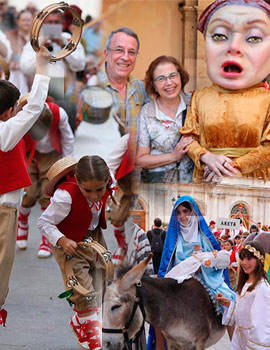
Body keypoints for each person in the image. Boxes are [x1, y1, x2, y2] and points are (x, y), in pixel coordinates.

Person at [180, 0, 270, 184]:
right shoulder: (200, 96)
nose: (234, 47)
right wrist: (208, 158)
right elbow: (188, 138)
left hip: (253, 181)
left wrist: (235, 168)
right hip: (208, 176)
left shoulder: (267, 100)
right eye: (220, 36)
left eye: (254, 37)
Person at [37, 155, 116, 350]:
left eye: (100, 189)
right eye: (87, 190)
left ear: (106, 181)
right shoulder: (65, 196)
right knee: (82, 287)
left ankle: (81, 321)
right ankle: (91, 334)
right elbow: (43, 222)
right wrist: (62, 240)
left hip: (93, 236)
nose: (94, 195)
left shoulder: (109, 182)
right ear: (78, 182)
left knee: (100, 279)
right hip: (68, 240)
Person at [87, 27, 149, 264]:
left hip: (131, 164)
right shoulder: (90, 86)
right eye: (119, 50)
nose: (125, 57)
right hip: (98, 162)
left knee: (125, 206)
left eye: (131, 52)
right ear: (106, 53)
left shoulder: (142, 89)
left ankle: (121, 243)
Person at [0, 45, 51, 326]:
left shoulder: (6, 124)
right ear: (8, 112)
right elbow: (34, 109)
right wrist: (43, 69)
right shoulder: (6, 131)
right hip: (3, 211)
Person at [154, 196, 235, 349]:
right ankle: (159, 346)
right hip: (178, 280)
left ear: (193, 213)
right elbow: (170, 263)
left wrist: (206, 262)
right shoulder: (174, 238)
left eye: (185, 211)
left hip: (205, 277)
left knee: (229, 300)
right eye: (178, 213)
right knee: (158, 305)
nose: (182, 216)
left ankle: (236, 344)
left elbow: (214, 256)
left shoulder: (203, 236)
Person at [16, 97, 74, 257]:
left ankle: (46, 238)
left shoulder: (58, 113)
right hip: (29, 154)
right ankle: (22, 221)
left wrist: (67, 162)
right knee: (28, 193)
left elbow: (68, 138)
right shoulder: (23, 113)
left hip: (51, 154)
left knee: (48, 196)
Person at [20, 10, 86, 131]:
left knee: (64, 130)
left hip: (65, 91)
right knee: (40, 132)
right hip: (40, 91)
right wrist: (39, 50)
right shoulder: (35, 40)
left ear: (62, 23)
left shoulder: (71, 39)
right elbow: (25, 67)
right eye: (49, 22)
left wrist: (64, 46)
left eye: (56, 22)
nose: (53, 25)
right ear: (44, 24)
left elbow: (80, 65)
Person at [135, 55, 194, 183]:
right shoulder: (146, 113)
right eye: (161, 78)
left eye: (173, 75)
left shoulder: (194, 104)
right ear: (154, 85)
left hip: (191, 188)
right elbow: (140, 160)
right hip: (158, 189)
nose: (169, 83)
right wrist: (173, 156)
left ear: (181, 77)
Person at [216, 241, 270, 349]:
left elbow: (261, 323)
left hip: (251, 341)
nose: (244, 262)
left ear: (259, 260)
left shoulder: (262, 288)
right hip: (240, 338)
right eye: (242, 258)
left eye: (249, 259)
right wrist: (228, 303)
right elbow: (244, 312)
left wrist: (254, 346)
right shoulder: (245, 283)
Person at [6, 10, 33, 94]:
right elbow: (6, 55)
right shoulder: (10, 35)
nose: (26, 23)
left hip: (32, 74)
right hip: (17, 76)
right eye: (23, 20)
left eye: (28, 20)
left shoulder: (37, 36)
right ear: (18, 21)